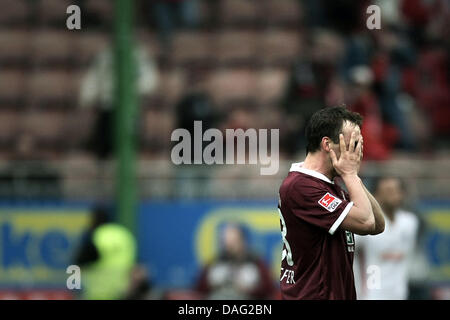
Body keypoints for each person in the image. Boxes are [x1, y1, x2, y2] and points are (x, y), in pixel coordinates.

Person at [277, 106, 385, 300]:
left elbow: (378, 224)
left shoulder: (329, 185)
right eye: (352, 143)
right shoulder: (301, 186)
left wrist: (354, 177)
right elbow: (365, 222)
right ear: (327, 144)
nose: (358, 150)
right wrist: (350, 174)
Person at [354, 176, 420, 300]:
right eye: (388, 191)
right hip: (371, 292)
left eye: (397, 190)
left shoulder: (410, 222)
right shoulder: (366, 225)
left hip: (399, 292)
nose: (394, 195)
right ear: (376, 196)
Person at [195, 223, 275, 300]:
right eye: (226, 242)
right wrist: (211, 284)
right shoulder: (214, 264)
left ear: (243, 241)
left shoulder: (256, 263)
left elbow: (270, 290)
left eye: (234, 241)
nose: (229, 246)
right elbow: (199, 289)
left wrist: (252, 289)